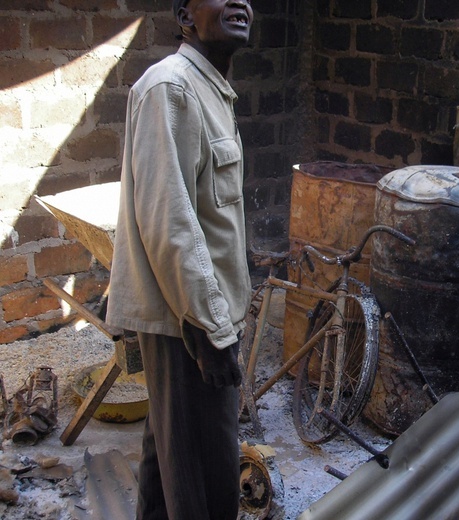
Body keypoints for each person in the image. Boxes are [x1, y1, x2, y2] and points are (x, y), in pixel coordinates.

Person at [106, 0, 254, 518]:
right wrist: (212, 328)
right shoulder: (171, 87)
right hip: (187, 326)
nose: (241, 3)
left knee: (169, 461)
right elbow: (170, 223)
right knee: (207, 484)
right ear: (185, 15)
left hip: (195, 317)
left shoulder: (209, 89)